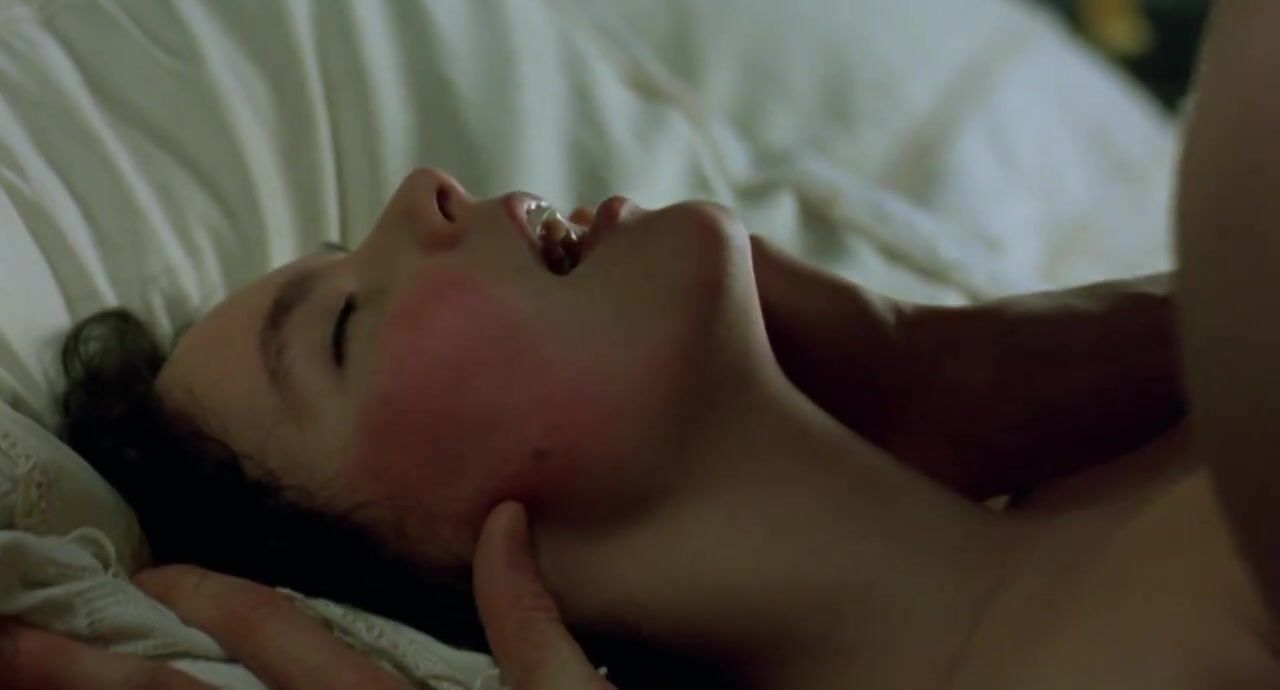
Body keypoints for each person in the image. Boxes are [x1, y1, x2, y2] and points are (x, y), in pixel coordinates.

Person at [3, 4, 1280, 688]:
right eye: (339, 325)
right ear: (436, 580)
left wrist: (964, 362)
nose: (421, 192)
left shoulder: (1145, 419)